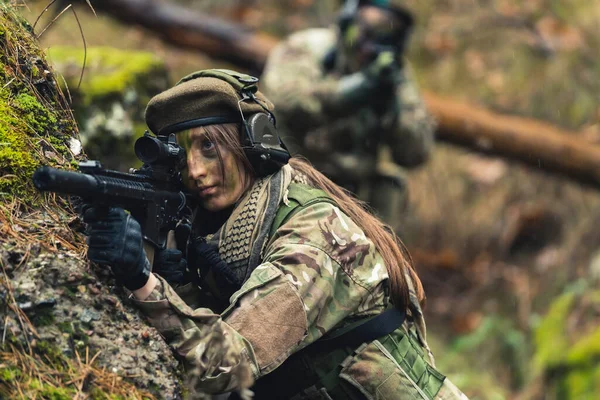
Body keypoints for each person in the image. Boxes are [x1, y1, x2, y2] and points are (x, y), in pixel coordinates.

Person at [81, 69, 466, 399]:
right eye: (185, 155)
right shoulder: (228, 230)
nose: (195, 171)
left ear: (252, 144)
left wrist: (143, 281)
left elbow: (228, 364)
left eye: (209, 147)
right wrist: (179, 285)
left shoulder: (316, 236)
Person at [261, 0, 436, 226]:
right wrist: (350, 93)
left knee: (391, 185)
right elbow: (285, 103)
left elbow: (416, 152)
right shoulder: (308, 47)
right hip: (296, 173)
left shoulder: (393, 71)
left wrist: (393, 111)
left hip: (353, 191)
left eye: (390, 27)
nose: (378, 36)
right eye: (371, 25)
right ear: (348, 19)